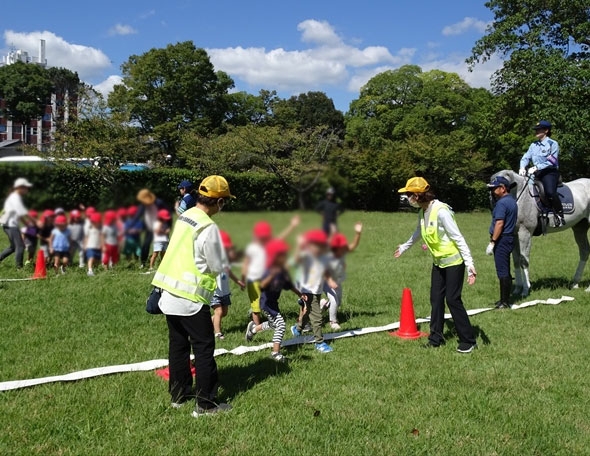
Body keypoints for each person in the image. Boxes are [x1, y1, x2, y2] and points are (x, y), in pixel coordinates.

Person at [152, 175, 235, 417]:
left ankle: (179, 395)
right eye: (224, 202)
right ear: (218, 201)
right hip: (191, 297)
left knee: (178, 346)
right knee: (204, 347)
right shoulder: (208, 227)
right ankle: (206, 404)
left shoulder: (185, 216)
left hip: (169, 293)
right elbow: (217, 264)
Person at [394, 177, 478, 353]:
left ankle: (468, 340)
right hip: (438, 263)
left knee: (453, 300)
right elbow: (419, 232)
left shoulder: (441, 211)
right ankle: (435, 338)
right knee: (436, 299)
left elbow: (458, 237)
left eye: (409, 194)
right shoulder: (423, 212)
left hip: (454, 262)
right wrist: (404, 247)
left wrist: (470, 264)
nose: (407, 198)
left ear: (418, 195)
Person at [246, 238, 306, 362]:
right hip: (266, 303)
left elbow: (290, 285)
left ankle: (253, 329)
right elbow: (262, 285)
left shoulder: (283, 271)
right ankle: (275, 353)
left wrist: (300, 294)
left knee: (273, 324)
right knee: (281, 325)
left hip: (273, 303)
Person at [241, 216, 300, 326]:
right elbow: (245, 263)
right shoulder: (252, 248)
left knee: (264, 300)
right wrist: (243, 279)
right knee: (255, 307)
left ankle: (269, 319)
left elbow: (281, 238)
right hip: (253, 280)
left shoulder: (269, 245)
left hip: (265, 278)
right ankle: (256, 327)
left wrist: (292, 226)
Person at [291, 229, 337, 353]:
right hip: (307, 290)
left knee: (309, 312)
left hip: (317, 289)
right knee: (317, 317)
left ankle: (297, 329)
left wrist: (330, 280)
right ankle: (319, 343)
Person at [519, 120, 565, 227]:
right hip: (536, 173)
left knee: (549, 192)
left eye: (538, 130)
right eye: (536, 130)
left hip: (549, 172)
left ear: (546, 130)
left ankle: (559, 215)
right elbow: (526, 157)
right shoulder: (533, 145)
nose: (536, 131)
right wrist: (522, 167)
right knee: (525, 190)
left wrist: (536, 167)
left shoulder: (552, 144)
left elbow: (552, 161)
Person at [322, 222, 363, 330]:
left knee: (338, 302)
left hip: (337, 281)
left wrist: (358, 234)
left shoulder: (342, 251)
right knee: (334, 300)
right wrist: (330, 281)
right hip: (326, 281)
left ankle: (323, 305)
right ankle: (333, 322)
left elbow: (353, 246)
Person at [486, 176, 518, 309]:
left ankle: (504, 302)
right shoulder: (512, 201)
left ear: (503, 188)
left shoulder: (502, 203)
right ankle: (505, 299)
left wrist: (493, 242)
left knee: (502, 270)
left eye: (494, 188)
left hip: (502, 239)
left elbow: (499, 223)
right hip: (509, 238)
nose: (493, 191)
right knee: (505, 268)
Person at [212, 231, 245, 340]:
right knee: (219, 311)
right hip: (214, 291)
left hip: (224, 291)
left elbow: (228, 272)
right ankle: (218, 333)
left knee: (224, 313)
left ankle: (212, 320)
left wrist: (237, 281)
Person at [0, 178, 34, 269]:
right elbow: (22, 213)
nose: (27, 190)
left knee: (13, 247)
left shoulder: (15, 197)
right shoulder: (15, 197)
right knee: (21, 246)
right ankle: (19, 268)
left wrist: (27, 223)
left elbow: (20, 214)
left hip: (9, 225)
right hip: (10, 225)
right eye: (26, 188)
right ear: (19, 188)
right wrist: (32, 222)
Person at [84, 212, 103, 276]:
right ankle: (90, 270)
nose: (95, 224)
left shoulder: (100, 230)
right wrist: (85, 246)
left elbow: (101, 238)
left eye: (96, 222)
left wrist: (102, 245)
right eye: (93, 222)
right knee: (91, 258)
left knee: (97, 261)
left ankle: (94, 267)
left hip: (98, 247)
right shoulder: (89, 230)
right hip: (90, 247)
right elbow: (86, 238)